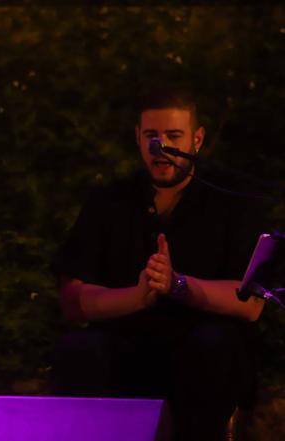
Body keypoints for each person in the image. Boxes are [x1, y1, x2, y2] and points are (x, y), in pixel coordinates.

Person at [50, 88, 265, 441]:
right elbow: (72, 299)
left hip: (201, 347)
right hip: (128, 344)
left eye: (173, 136)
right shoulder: (109, 202)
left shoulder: (233, 201)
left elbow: (251, 303)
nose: (160, 147)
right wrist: (137, 297)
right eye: (152, 136)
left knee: (213, 347)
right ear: (137, 137)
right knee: (78, 350)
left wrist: (178, 286)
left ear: (197, 139)